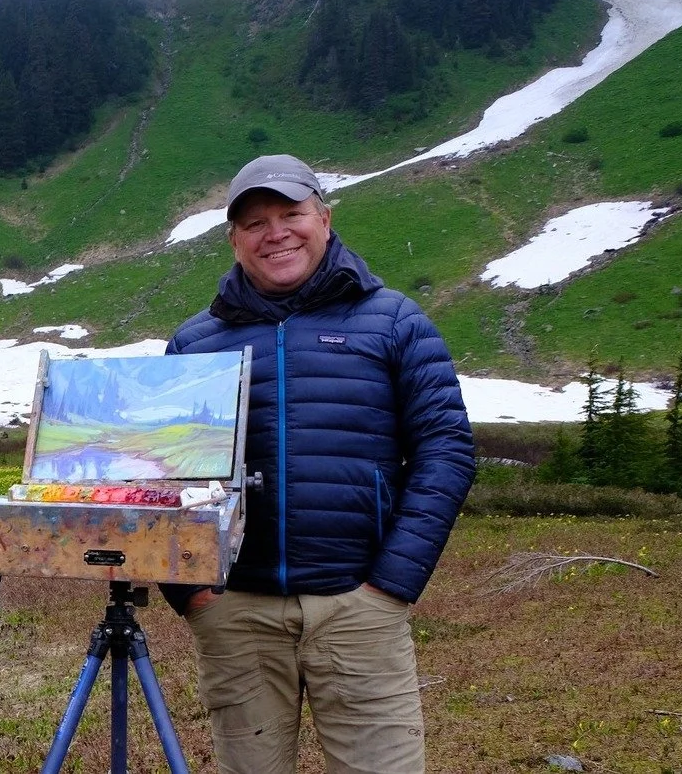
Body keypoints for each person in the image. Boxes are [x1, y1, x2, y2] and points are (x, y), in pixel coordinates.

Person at [161, 154, 475, 773]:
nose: (275, 233)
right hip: (236, 610)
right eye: (254, 222)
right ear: (233, 240)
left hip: (358, 607)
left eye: (291, 214)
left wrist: (390, 585)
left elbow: (446, 449)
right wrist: (193, 593)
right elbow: (162, 473)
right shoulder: (195, 343)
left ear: (324, 219)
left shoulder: (395, 322)